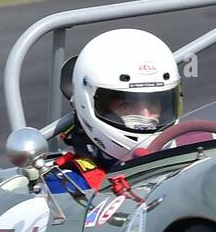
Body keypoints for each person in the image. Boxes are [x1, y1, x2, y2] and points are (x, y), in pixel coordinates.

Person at [63, 28, 183, 168]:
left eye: (153, 103)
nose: (145, 115)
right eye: (127, 104)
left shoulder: (194, 150)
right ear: (86, 102)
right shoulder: (68, 183)